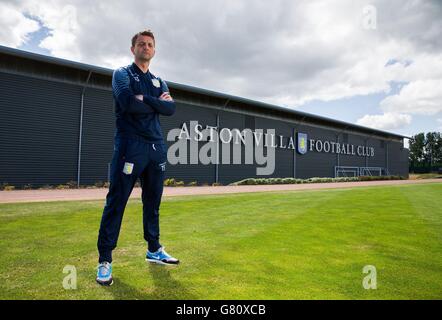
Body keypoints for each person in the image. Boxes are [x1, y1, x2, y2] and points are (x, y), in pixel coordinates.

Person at [96, 30, 179, 286]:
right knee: (117, 201)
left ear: (154, 51)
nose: (146, 47)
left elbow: (171, 108)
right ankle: (105, 260)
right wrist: (155, 103)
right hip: (129, 145)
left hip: (156, 146)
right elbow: (127, 103)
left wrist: (147, 99)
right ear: (133, 49)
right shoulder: (122, 74)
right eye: (141, 44)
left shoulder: (158, 80)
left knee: (152, 202)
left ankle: (154, 249)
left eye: (150, 44)